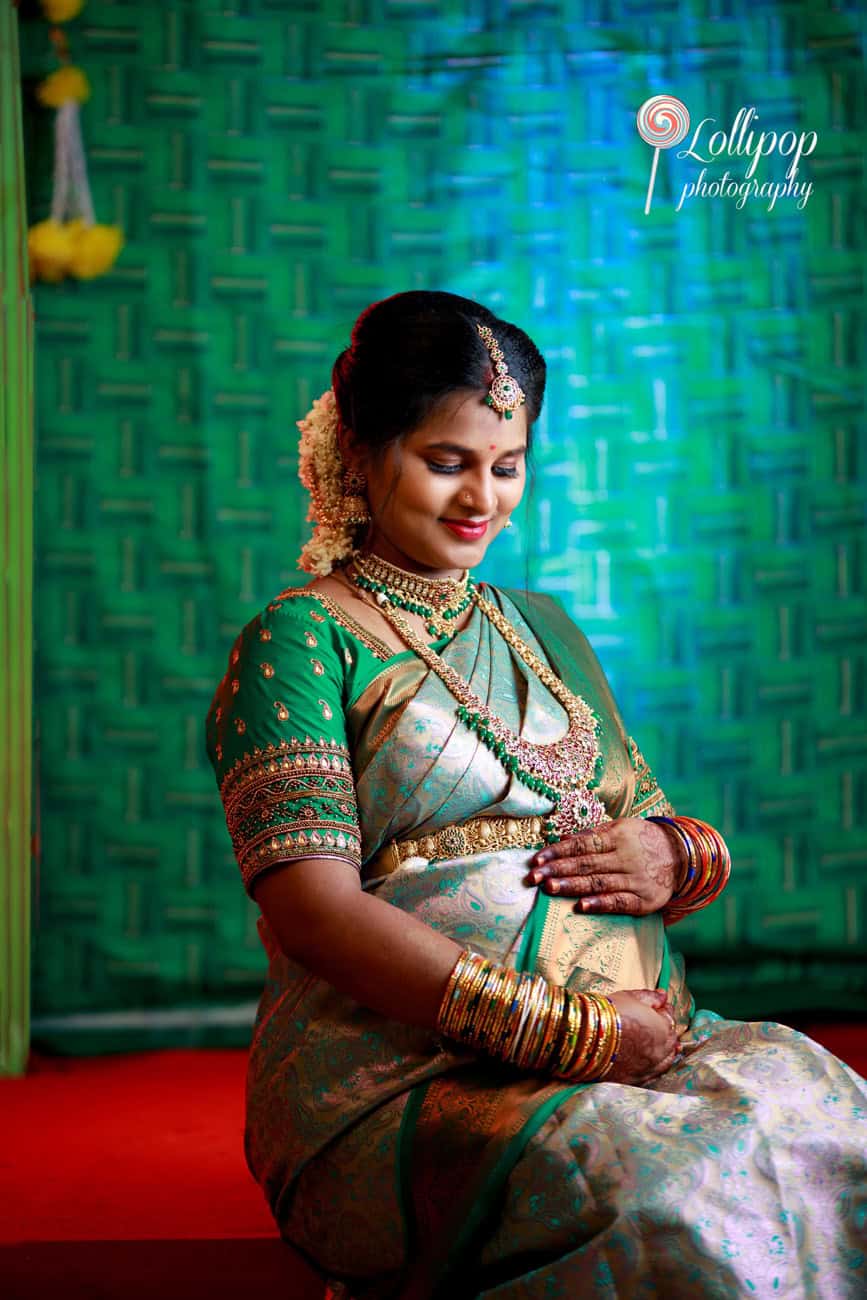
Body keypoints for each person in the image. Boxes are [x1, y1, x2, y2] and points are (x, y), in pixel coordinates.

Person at [206, 291, 867, 1300]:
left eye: (506, 467)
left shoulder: (544, 628)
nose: (483, 499)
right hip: (402, 1079)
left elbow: (660, 823)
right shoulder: (301, 640)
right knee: (678, 1184)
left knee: (825, 1118)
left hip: (640, 1038)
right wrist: (576, 1035)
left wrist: (675, 855)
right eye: (446, 461)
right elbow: (313, 913)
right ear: (359, 447)